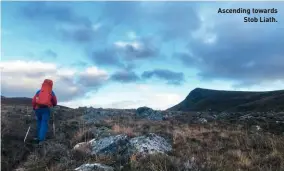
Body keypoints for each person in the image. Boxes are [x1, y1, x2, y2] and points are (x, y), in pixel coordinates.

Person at [32, 79, 57, 143]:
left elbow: (34, 101)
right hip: (46, 109)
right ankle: (41, 139)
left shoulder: (39, 91)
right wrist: (53, 105)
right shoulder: (51, 92)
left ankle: (38, 137)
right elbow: (55, 101)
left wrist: (34, 108)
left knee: (39, 123)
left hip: (38, 109)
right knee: (44, 123)